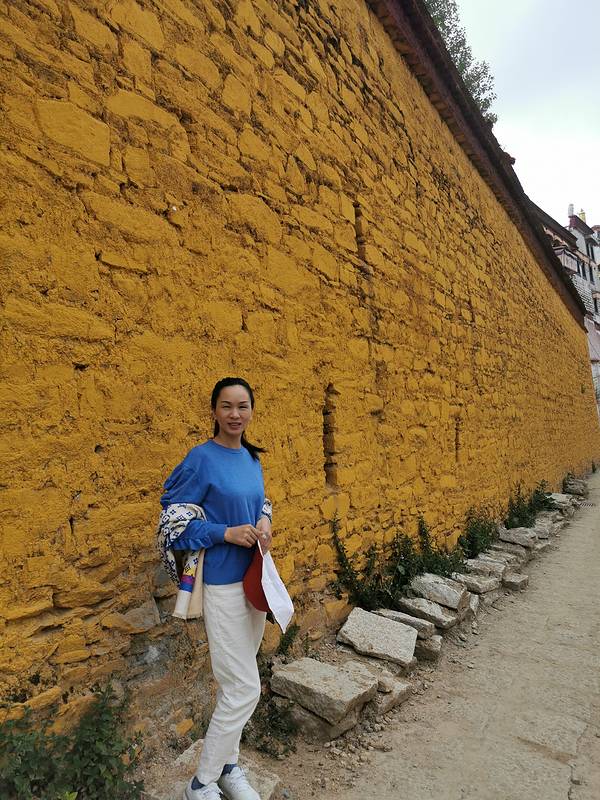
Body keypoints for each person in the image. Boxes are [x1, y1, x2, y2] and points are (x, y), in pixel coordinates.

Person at [160, 377, 272, 800]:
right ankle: (200, 783)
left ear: (251, 411)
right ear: (214, 411)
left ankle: (228, 767)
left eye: (242, 406)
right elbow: (173, 522)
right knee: (244, 687)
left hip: (254, 582)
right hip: (222, 584)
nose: (235, 414)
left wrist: (264, 522)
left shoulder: (251, 458)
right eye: (226, 406)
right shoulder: (200, 459)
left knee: (234, 686)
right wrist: (226, 533)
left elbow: (260, 502)